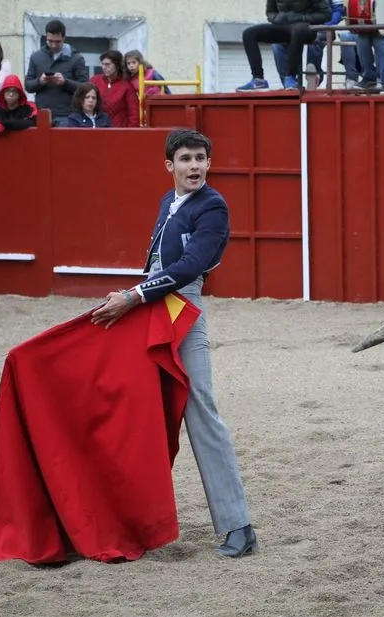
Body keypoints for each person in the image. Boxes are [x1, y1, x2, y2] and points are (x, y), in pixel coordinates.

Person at [90, 128, 258, 558]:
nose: (194, 166)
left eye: (200, 158)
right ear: (170, 166)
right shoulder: (170, 201)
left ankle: (238, 526)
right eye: (186, 159)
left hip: (183, 311)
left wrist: (133, 296)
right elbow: (158, 264)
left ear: (209, 163)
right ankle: (124, 520)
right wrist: (133, 295)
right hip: (151, 308)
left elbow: (189, 266)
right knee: (137, 412)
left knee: (200, 410)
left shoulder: (213, 206)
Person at [237, 0, 332, 91]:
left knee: (297, 30)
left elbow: (326, 14)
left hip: (307, 28)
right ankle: (258, 79)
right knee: (249, 33)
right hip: (284, 26)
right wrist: (278, 18)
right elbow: (270, 12)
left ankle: (291, 77)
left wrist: (302, 18)